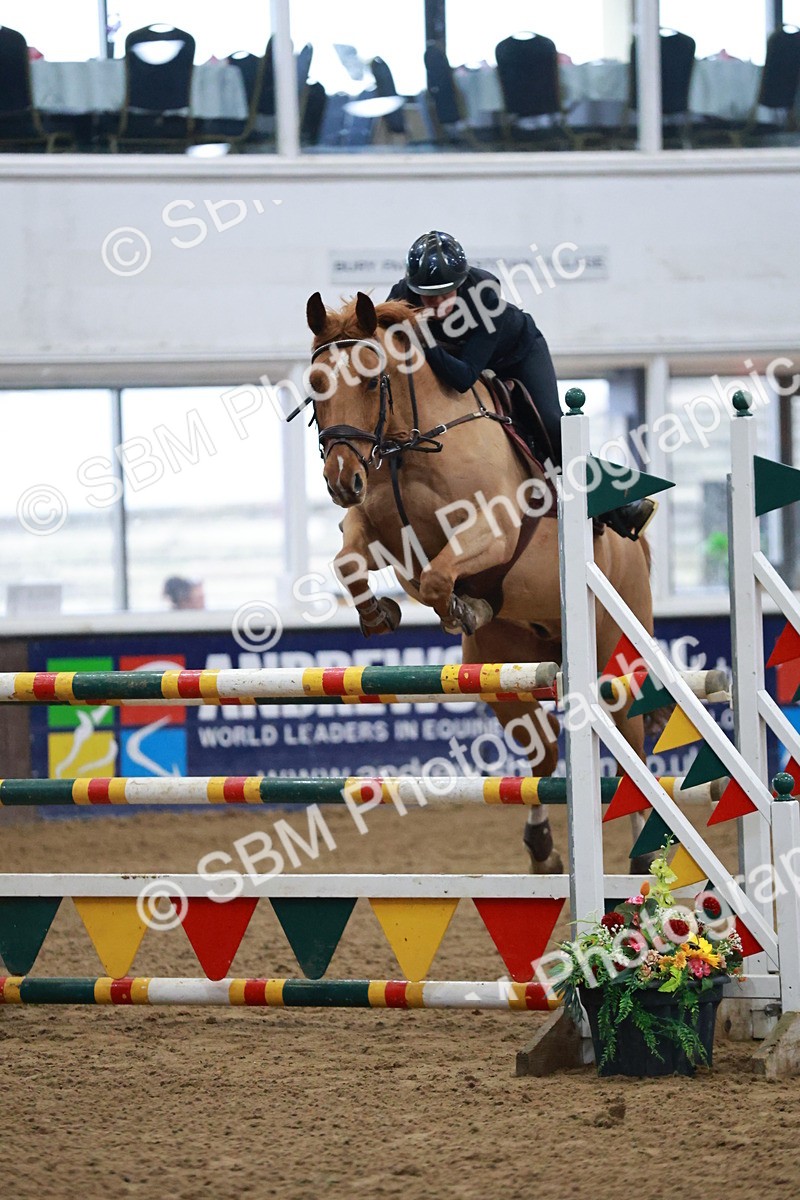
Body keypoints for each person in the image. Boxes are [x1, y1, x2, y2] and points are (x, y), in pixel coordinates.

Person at [388, 230, 655, 541]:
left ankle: (616, 502)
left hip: (517, 353)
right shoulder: (401, 298)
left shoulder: (485, 295)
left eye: (446, 294)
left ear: (461, 284)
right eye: (427, 296)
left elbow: (463, 378)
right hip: (460, 359)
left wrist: (424, 338)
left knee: (552, 424)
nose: (435, 303)